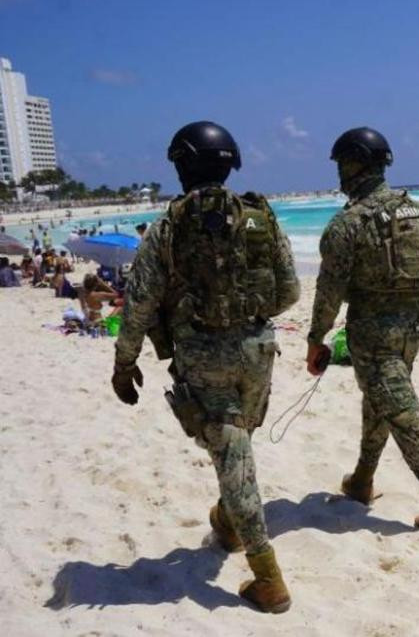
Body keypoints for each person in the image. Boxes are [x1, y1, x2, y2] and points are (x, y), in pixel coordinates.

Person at [111, 121, 300, 613]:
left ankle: (268, 579)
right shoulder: (261, 216)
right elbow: (289, 293)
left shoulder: (169, 226)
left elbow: (140, 302)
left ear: (181, 165)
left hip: (202, 354)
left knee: (231, 452)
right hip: (258, 350)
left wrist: (124, 361)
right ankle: (227, 523)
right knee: (236, 445)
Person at [306, 126, 419, 536]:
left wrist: (316, 339)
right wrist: (407, 290)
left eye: (342, 164)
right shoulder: (415, 211)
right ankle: (361, 480)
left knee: (402, 414)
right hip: (412, 329)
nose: (339, 173)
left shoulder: (349, 223)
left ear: (354, 164)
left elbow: (329, 291)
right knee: (380, 401)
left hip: (373, 335)